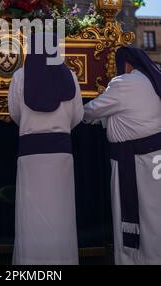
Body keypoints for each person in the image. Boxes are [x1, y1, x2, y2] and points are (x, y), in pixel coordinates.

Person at [8, 33, 83, 265]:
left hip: (31, 154)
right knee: (60, 212)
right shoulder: (69, 75)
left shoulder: (20, 76)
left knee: (31, 213)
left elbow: (14, 114)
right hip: (61, 153)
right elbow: (77, 116)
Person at [84, 46, 161, 265]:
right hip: (155, 159)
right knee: (154, 214)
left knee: (136, 214)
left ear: (126, 65)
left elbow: (94, 109)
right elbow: (130, 114)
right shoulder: (154, 80)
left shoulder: (124, 83)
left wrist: (81, 114)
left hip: (135, 162)